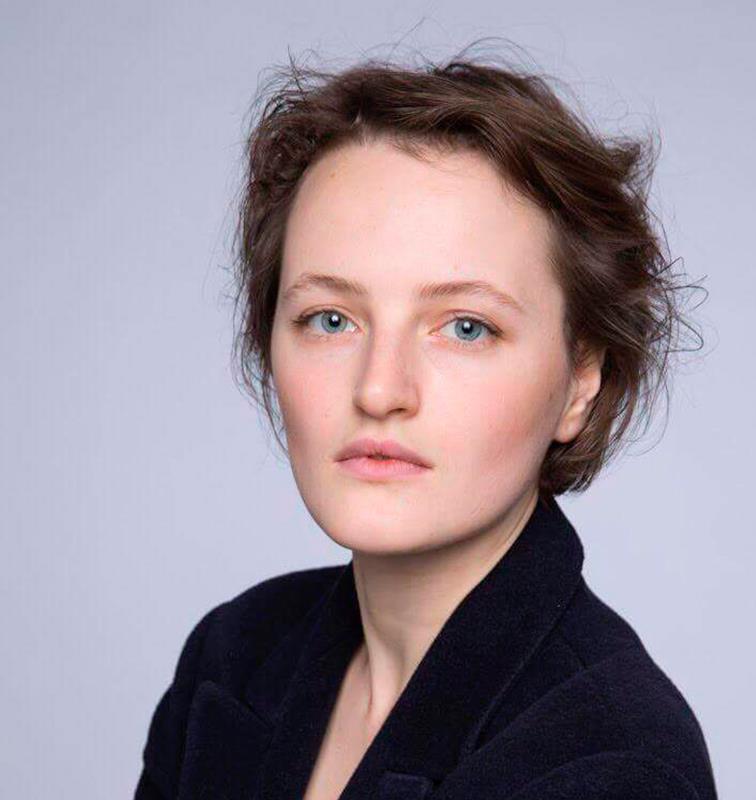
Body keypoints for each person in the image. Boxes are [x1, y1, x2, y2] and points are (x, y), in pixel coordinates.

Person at [134, 45, 717, 800]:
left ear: (581, 381)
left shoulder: (612, 761)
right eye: (331, 318)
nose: (379, 389)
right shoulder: (233, 657)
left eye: (466, 327)